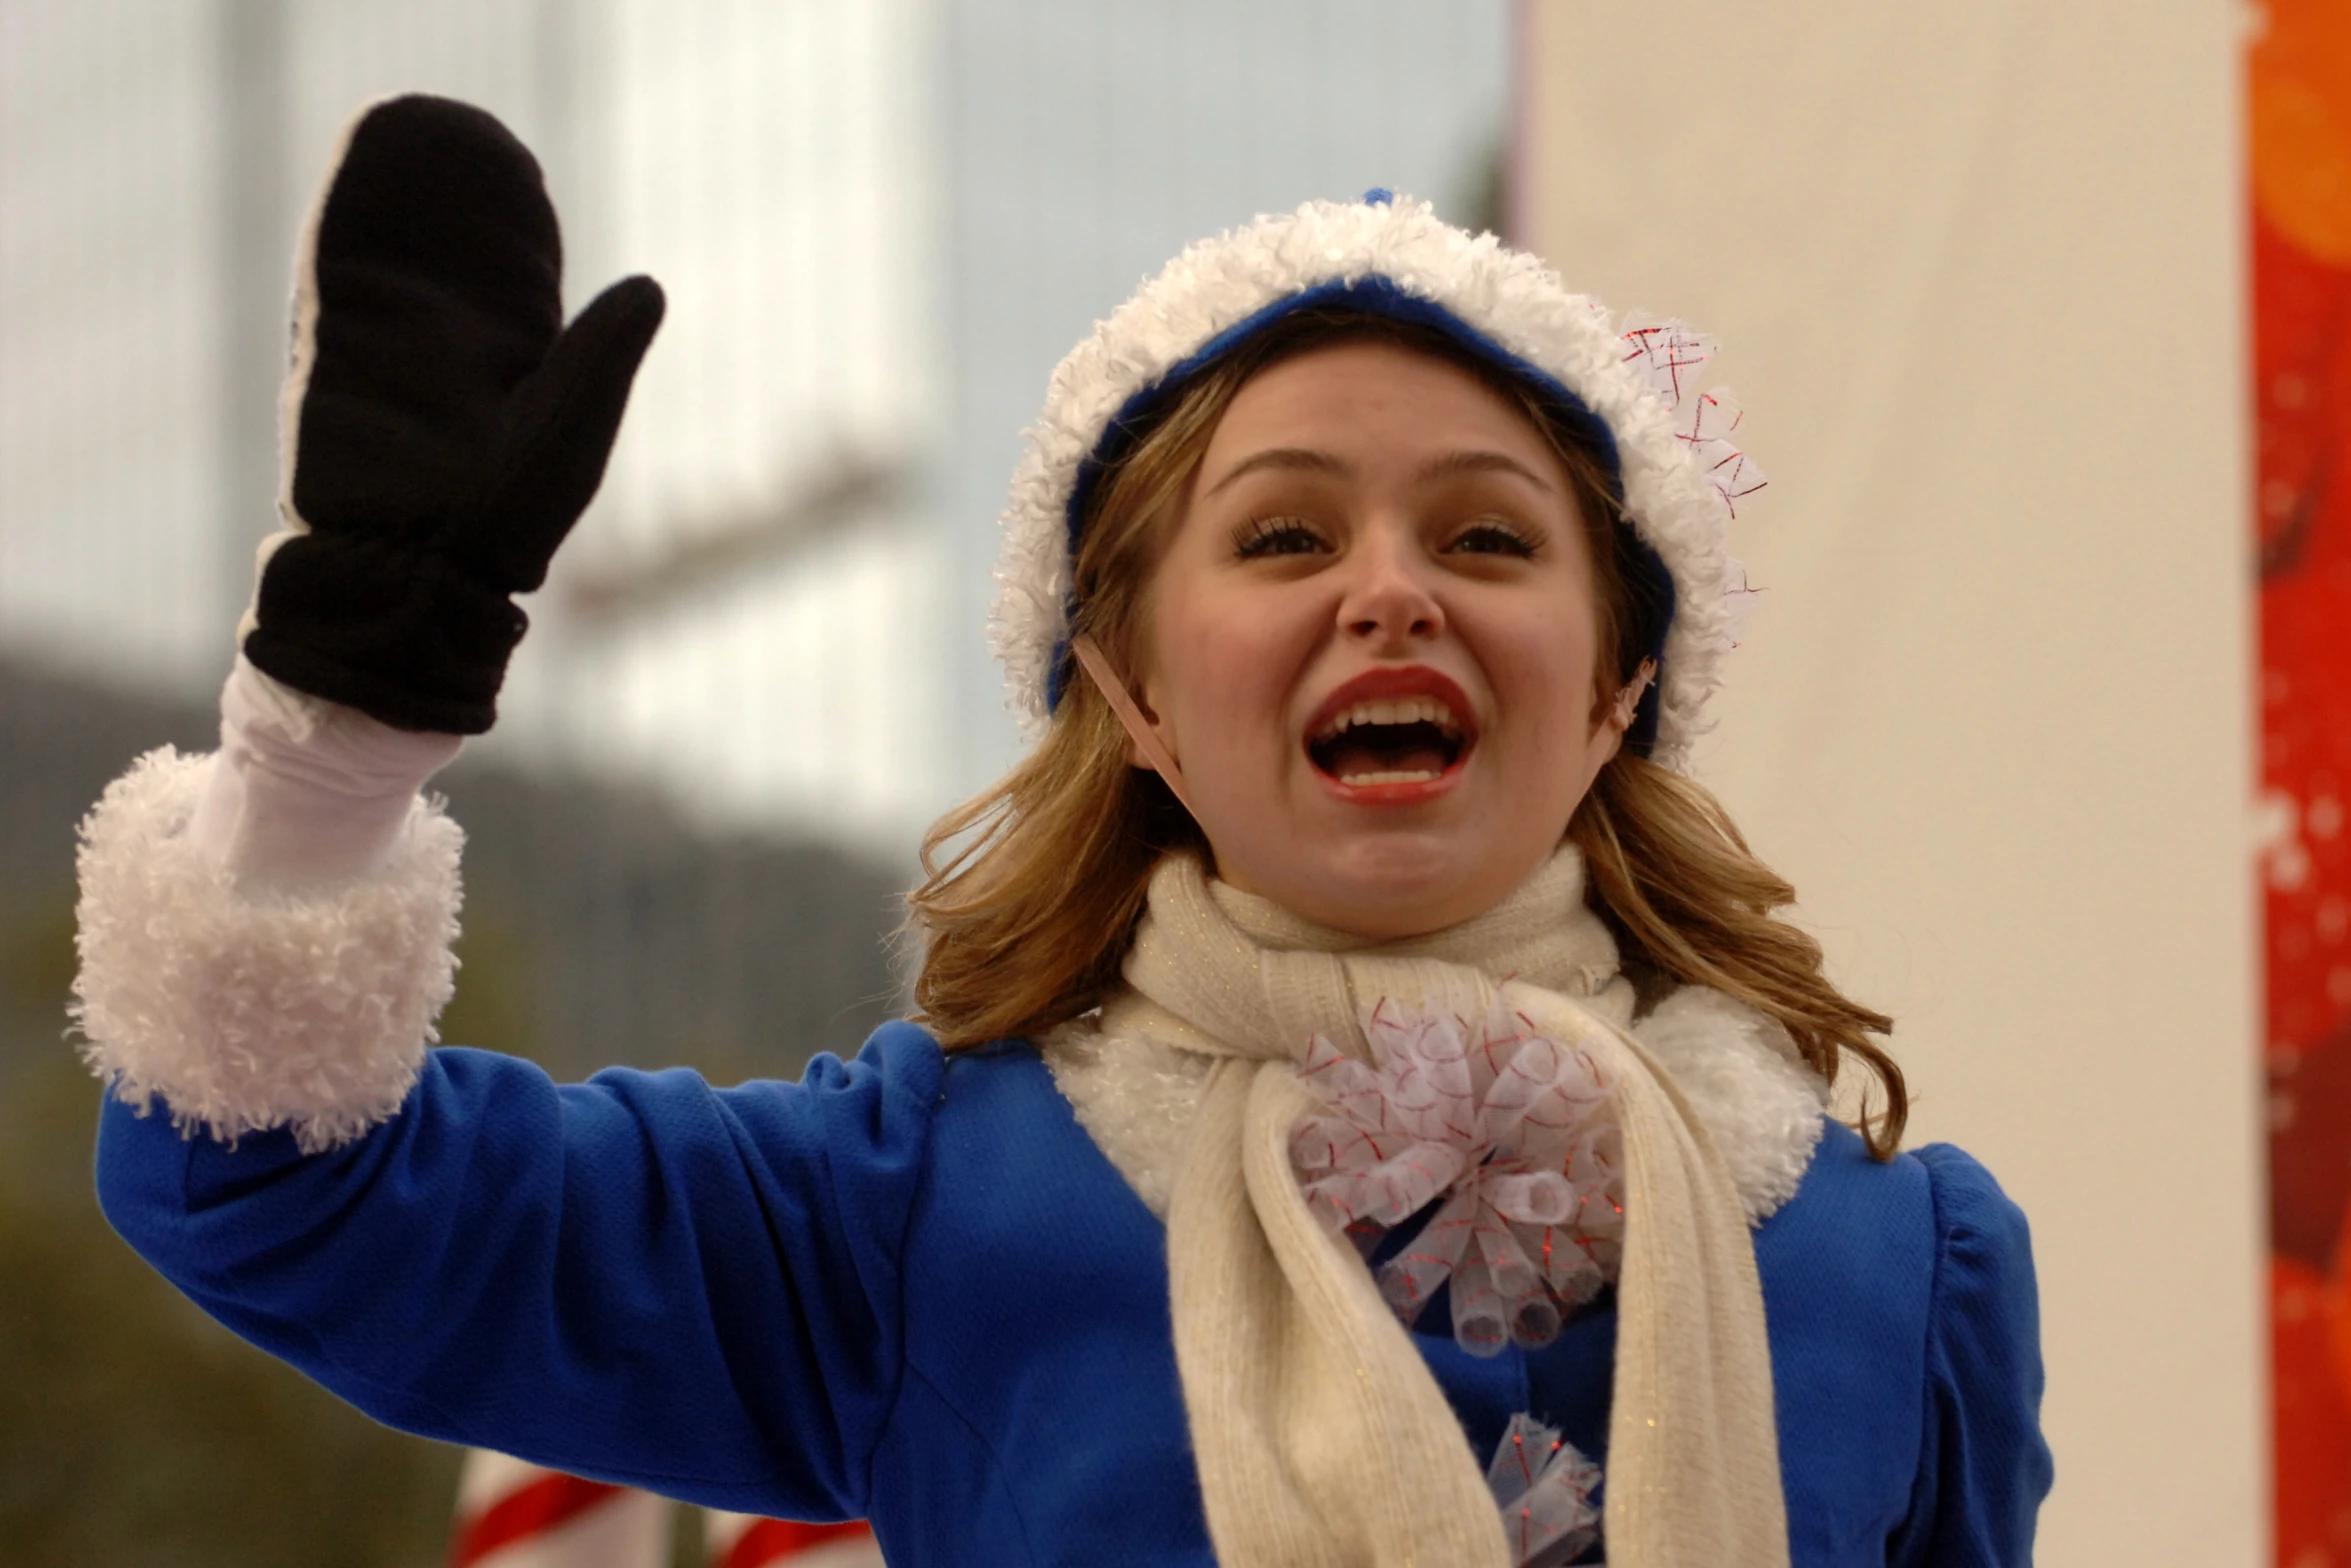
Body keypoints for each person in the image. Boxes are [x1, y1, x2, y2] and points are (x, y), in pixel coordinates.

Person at [74, 96, 2052, 1568]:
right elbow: (288, 1199)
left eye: (1484, 535)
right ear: (1127, 688)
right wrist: (327, 753)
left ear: (1616, 675)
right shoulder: (913, 1200)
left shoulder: (1908, 1261)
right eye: (1282, 534)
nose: (1390, 592)